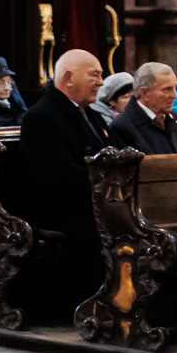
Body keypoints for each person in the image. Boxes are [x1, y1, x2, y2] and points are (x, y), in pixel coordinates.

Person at [18, 49, 109, 243]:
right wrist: (110, 185)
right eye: (95, 75)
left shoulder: (93, 115)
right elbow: (58, 178)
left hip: (102, 203)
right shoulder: (41, 117)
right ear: (68, 78)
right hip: (68, 212)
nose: (101, 82)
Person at [106, 61, 177, 156]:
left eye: (175, 88)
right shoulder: (121, 128)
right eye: (167, 89)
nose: (175, 96)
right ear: (145, 93)